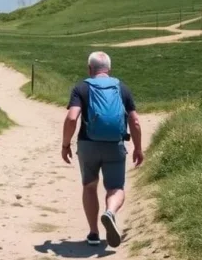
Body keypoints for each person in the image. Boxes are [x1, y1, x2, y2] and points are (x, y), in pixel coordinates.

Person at [61, 51, 144, 248]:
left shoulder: (81, 87)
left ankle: (93, 233)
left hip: (87, 144)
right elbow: (135, 121)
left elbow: (72, 118)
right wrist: (138, 148)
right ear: (109, 69)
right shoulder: (121, 88)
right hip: (114, 145)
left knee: (89, 186)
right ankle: (110, 212)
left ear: (90, 69)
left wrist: (65, 144)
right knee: (116, 187)